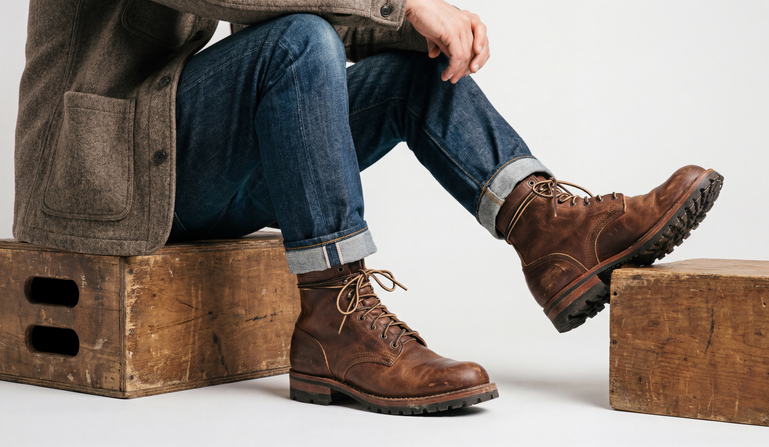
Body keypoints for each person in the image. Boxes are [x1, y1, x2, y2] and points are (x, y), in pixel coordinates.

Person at [14, 0, 722, 415]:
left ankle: (550, 231)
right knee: (299, 45)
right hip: (93, 179)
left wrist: (417, 26)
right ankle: (336, 317)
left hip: (171, 166)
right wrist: (398, 4)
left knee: (409, 68)